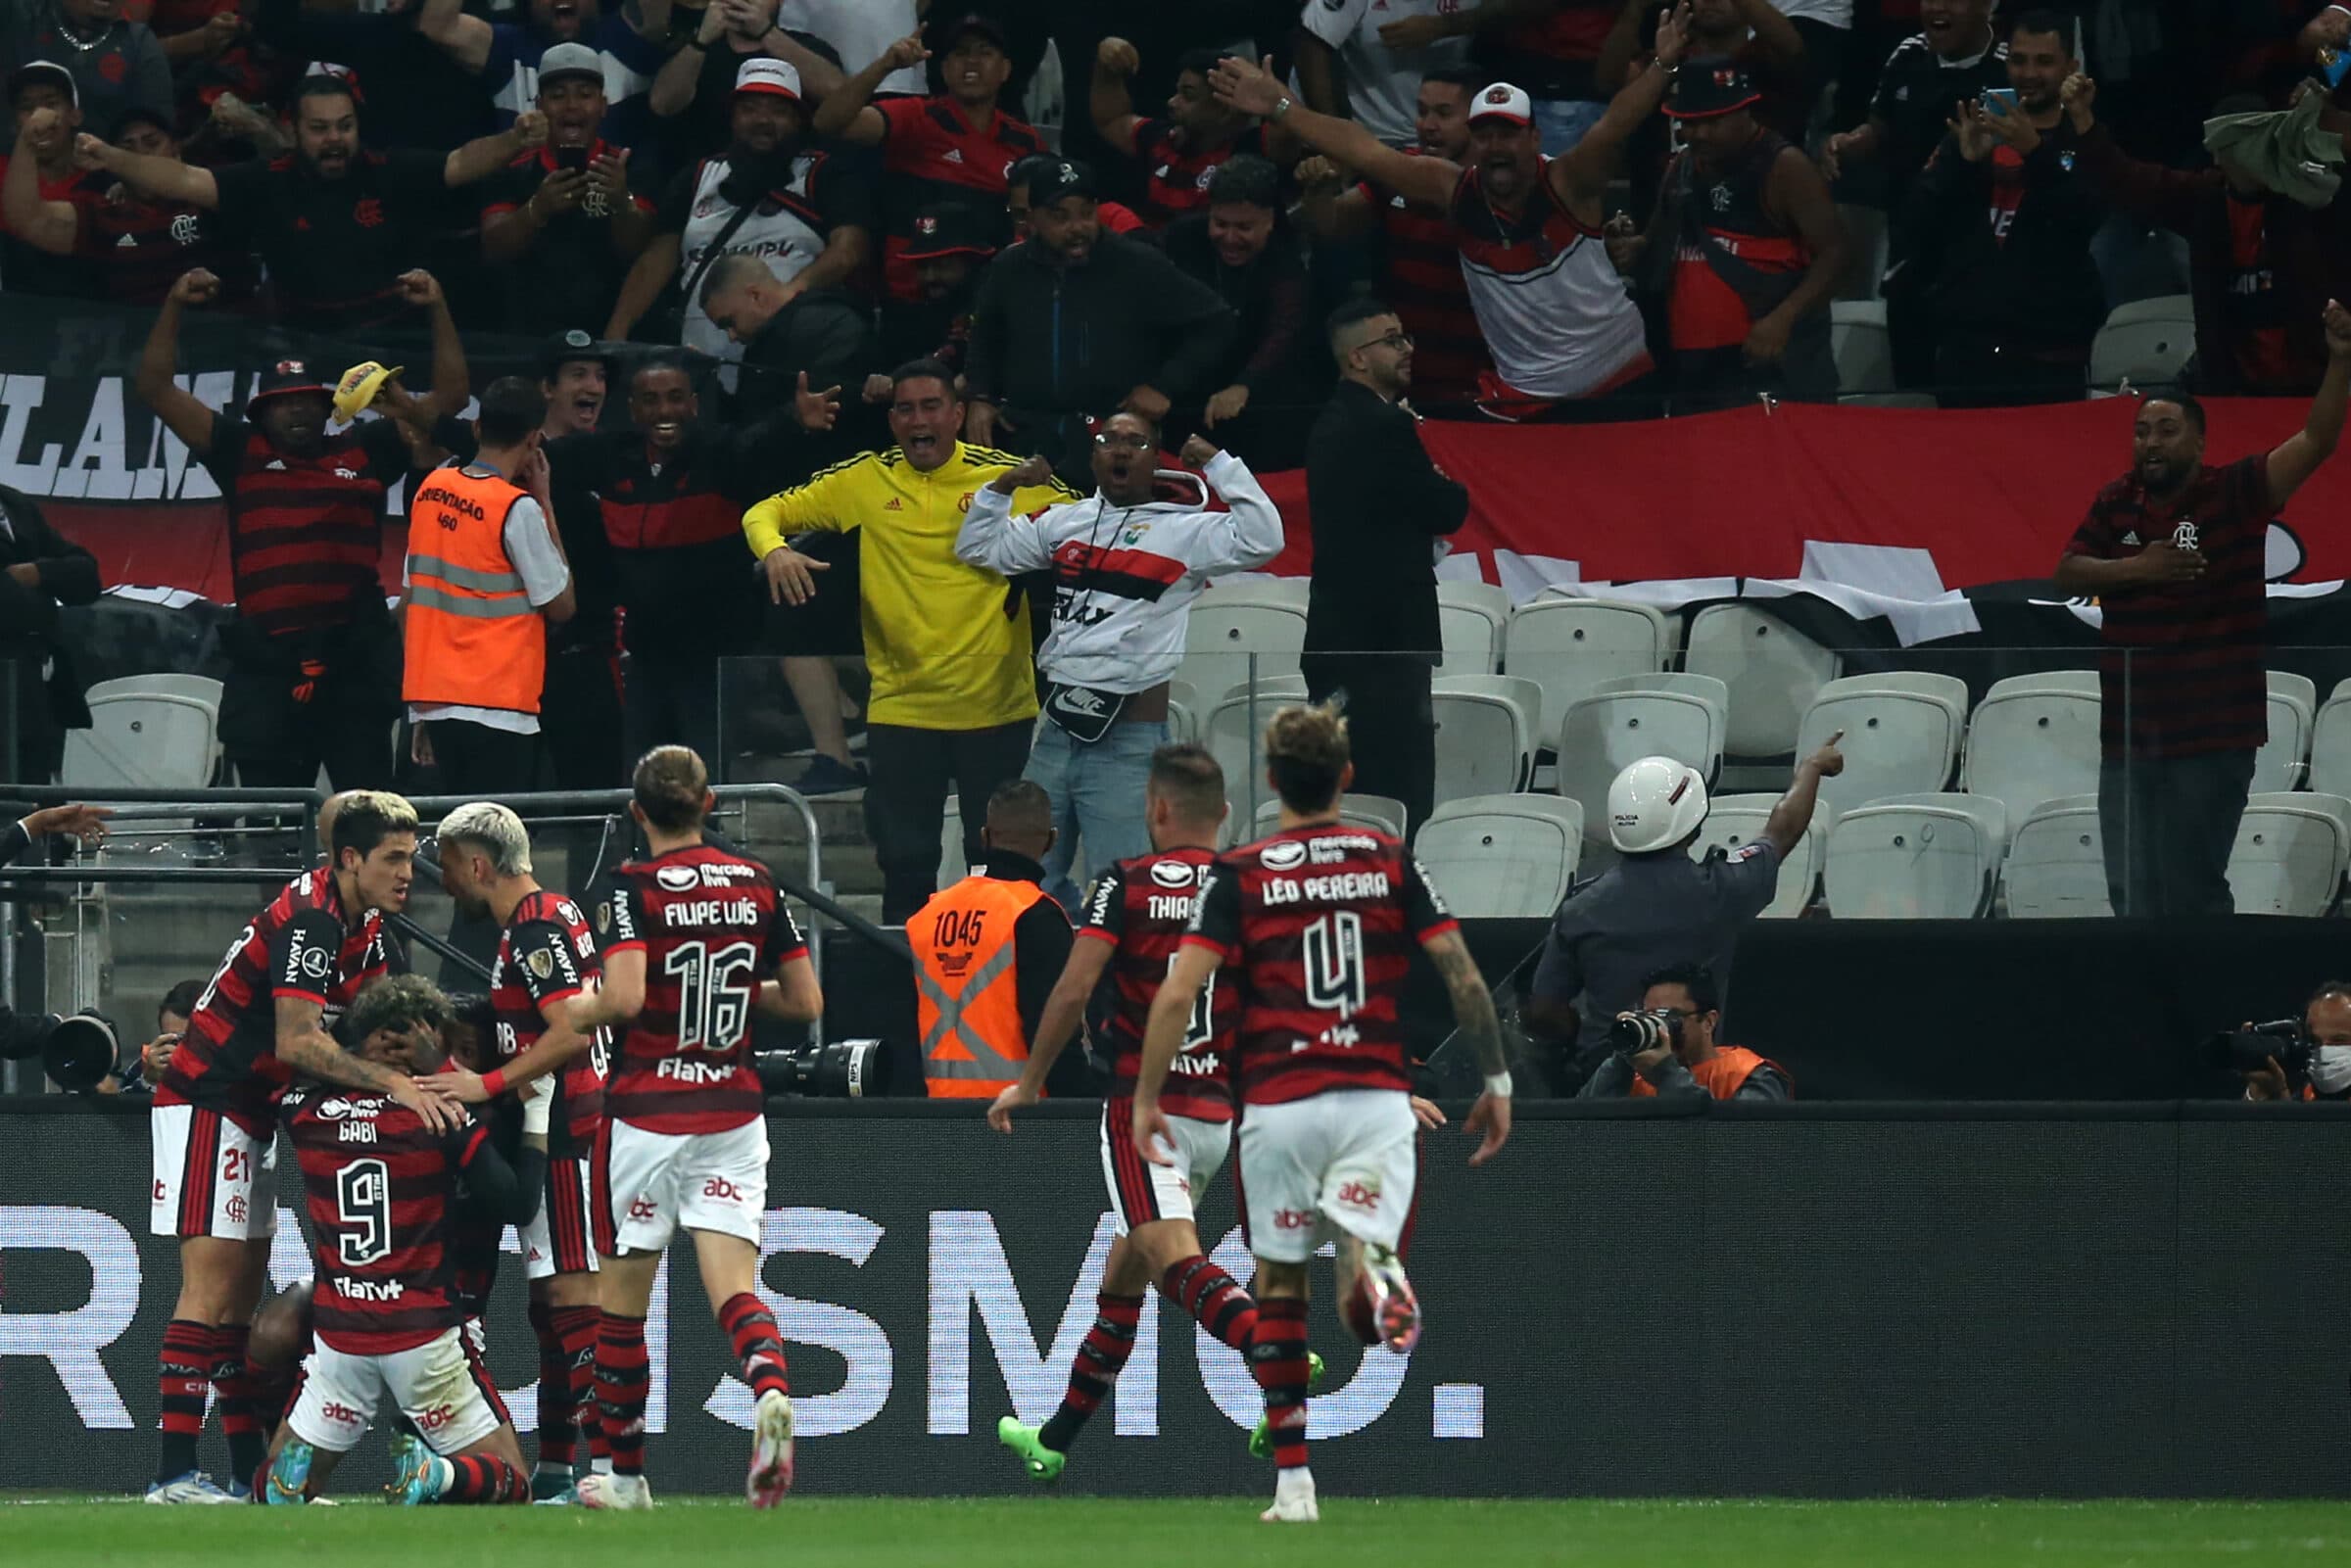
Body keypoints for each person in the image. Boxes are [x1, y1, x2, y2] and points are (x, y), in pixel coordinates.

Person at [1137, 703, 1511, 1524]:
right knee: (1359, 1282)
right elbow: (1462, 975)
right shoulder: (1389, 858)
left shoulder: (1240, 871)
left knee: (1277, 1288)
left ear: (1271, 782)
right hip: (1377, 1097)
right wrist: (1497, 1079)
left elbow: (1178, 992)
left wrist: (1143, 1096)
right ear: (1346, 778)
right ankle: (1373, 1266)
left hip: (1278, 1103)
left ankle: (1295, 1486)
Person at [146, 791, 457, 1503]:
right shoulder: (314, 918)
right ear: (350, 858)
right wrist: (390, 1081)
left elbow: (365, 1021)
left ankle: (244, 1469)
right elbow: (295, 1038)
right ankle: (170, 1473)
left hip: (253, 1111)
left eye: (412, 856)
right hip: (208, 1099)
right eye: (395, 857)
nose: (410, 871)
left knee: (240, 1300)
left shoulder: (367, 922)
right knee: (209, 1290)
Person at [987, 743, 1272, 1479]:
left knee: (1171, 1259)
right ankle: (1054, 1439)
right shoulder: (1249, 887)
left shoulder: (1127, 883)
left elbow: (1074, 989)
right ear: (1226, 815)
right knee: (1123, 1276)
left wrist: (1028, 1080)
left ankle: (1270, 1351)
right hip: (1218, 1115)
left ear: (1156, 809)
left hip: (1145, 1110)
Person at [555, 744, 823, 1509]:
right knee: (734, 1287)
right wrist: (736, 986)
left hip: (645, 1112)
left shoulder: (631, 885)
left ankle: (627, 1477)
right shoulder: (758, 882)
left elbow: (627, 996)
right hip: (733, 1110)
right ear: (709, 803)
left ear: (637, 813)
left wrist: (578, 1008)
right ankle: (769, 1384)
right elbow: (805, 1001)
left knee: (622, 1300)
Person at [743, 359, 1080, 923]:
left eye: (930, 407)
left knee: (996, 867)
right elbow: (765, 511)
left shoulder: (1006, 477)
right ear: (893, 419)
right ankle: (903, 996)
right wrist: (774, 550)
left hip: (996, 710)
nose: (918, 419)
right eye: (905, 409)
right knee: (905, 866)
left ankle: (998, 989)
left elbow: (1094, 522)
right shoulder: (867, 479)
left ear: (958, 414)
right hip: (903, 711)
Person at [1213, 25, 1682, 421]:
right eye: (1486, 135)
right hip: (1525, 399)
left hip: (1619, 378)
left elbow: (1615, 124)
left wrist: (1662, 66)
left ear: (1535, 137)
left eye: (1509, 135)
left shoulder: (1569, 181)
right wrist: (1281, 108)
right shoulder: (1450, 189)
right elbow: (1362, 148)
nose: (1496, 146)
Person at [2053, 306, 2351, 918]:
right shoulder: (2117, 501)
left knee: (2191, 890)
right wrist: (2140, 569)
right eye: (2141, 432)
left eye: (2165, 430)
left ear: (2199, 440)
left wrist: (2342, 358)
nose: (2150, 443)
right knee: (2130, 894)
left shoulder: (2236, 492)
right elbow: (2068, 571)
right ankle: (2146, 1011)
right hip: (2131, 737)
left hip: (2212, 737)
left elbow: (2317, 439)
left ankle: (2214, 1009)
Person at [134, 266, 465, 790]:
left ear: (326, 407)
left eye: (308, 399)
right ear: (261, 413)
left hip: (354, 666)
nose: (297, 410)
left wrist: (438, 306)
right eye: (283, 402)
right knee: (277, 830)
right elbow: (153, 385)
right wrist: (174, 301)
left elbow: (450, 398)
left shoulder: (366, 449)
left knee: (369, 816)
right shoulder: (238, 451)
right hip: (268, 671)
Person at [955, 418, 1282, 902]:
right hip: (1056, 734)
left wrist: (1219, 464)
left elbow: (1265, 539)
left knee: (1123, 895)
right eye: (1108, 442)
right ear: (1094, 458)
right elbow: (979, 548)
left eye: (1137, 442)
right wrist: (1002, 486)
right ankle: (1048, 973)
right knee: (1018, 885)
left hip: (1127, 742)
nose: (1120, 451)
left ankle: (1112, 978)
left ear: (1155, 460)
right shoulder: (1064, 521)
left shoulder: (1186, 531)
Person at [262, 1032, 548, 1505]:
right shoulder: (440, 1114)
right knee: (513, 1482)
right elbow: (516, 1202)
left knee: (282, 1482)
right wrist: (538, 1111)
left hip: (341, 1338)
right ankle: (437, 1474)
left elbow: (292, 1055)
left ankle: (281, 1478)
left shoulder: (304, 1109)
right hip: (422, 1336)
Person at [430, 800, 612, 1499]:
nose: (445, 884)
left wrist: (489, 1081)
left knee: (573, 1296)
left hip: (564, 1124)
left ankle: (611, 1467)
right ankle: (562, 1466)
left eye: (448, 867)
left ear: (478, 863)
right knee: (552, 1306)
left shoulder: (534, 926)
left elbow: (566, 1030)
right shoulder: (556, 913)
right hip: (568, 1117)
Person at [78, 72, 549, 332]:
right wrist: (111, 157)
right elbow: (182, 177)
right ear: (296, 130)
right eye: (319, 129)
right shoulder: (266, 180)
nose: (334, 140)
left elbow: (461, 162)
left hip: (397, 341)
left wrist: (513, 139)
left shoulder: (388, 169)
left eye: (344, 126)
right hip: (304, 345)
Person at [547, 353, 833, 772]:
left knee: (707, 783)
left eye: (676, 398)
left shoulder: (719, 455)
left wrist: (794, 420)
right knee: (642, 782)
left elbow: (757, 443)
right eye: (651, 400)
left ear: (695, 405)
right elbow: (532, 451)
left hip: (715, 665)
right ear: (633, 408)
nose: (665, 411)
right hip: (644, 660)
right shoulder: (611, 456)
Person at [1525, 738, 1842, 1060]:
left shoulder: (1579, 909)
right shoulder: (1724, 889)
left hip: (1603, 1081)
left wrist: (1586, 1034)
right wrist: (1811, 768)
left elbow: (1543, 1013)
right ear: (1693, 823)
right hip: (1693, 1081)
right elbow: (1781, 831)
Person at [1299, 299, 1469, 839]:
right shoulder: (1383, 426)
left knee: (1344, 795)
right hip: (1385, 645)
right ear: (1358, 359)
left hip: (1340, 637)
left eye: (1405, 336)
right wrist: (1444, 484)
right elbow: (1447, 508)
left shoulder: (1332, 422)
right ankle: (1394, 906)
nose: (1408, 349)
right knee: (1396, 794)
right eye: (1393, 340)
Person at [2068, 73, 2351, 398]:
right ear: (2217, 152)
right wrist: (2082, 118)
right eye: (2239, 143)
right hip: (2233, 388)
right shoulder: (2204, 200)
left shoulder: (2311, 195)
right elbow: (2126, 179)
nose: (2252, 151)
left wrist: (2328, 116)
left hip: (2311, 384)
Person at [960, 158, 1237, 475]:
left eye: (1086, 213)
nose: (1077, 228)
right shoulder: (1009, 267)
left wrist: (1165, 385)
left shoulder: (1136, 263)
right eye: (1060, 216)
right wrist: (981, 396)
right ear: (1032, 218)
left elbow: (1217, 321)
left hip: (1110, 440)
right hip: (1025, 433)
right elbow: (984, 338)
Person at [609, 59, 873, 378]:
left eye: (778, 110)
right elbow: (655, 261)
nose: (763, 120)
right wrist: (617, 331)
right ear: (732, 117)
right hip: (700, 366)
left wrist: (790, 293)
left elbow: (849, 249)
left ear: (797, 119)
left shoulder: (825, 174)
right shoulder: (697, 176)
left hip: (792, 360)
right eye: (750, 108)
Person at [1616, 58, 1847, 411]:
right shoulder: (1682, 166)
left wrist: (1782, 319)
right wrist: (1631, 248)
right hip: (1694, 367)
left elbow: (1836, 255)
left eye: (1713, 121)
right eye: (1690, 123)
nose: (1700, 134)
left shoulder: (1784, 167)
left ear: (1745, 110)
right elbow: (1656, 243)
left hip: (1769, 367)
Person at [1899, 13, 2104, 406]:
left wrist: (2035, 154)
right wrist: (1963, 163)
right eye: (2019, 60)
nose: (2028, 73)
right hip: (1966, 353)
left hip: (2050, 356)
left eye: (2044, 62)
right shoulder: (1973, 130)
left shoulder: (2084, 137)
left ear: (2070, 68)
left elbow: (2084, 219)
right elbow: (1916, 223)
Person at [403, 378, 576, 796]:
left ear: (477, 427)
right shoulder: (517, 508)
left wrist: (421, 713)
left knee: (453, 846)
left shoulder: (431, 490)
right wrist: (546, 504)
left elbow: (410, 602)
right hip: (500, 706)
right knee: (494, 848)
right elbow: (562, 605)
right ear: (535, 439)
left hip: (437, 701)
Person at [1294, 66, 1491, 413]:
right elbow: (1333, 223)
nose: (1427, 124)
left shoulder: (1498, 185)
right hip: (1403, 376)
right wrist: (1318, 193)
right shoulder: (1399, 170)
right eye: (1421, 111)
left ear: (1476, 123)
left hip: (1479, 379)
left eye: (1443, 114)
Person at [812, 16, 1045, 302]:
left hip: (990, 300)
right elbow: (827, 123)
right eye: (960, 53)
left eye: (985, 52)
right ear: (944, 69)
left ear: (1005, 69)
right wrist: (885, 65)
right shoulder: (916, 116)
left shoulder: (1025, 140)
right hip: (913, 296)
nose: (972, 62)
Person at [905, 780, 1080, 1099]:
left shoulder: (927, 915)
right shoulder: (1037, 916)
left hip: (935, 1115)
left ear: (984, 837)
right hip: (1020, 1117)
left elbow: (905, 1026)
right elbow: (1054, 1030)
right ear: (1051, 841)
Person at [477, 43, 658, 340]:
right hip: (528, 337)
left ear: (603, 105)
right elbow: (493, 250)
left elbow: (640, 253)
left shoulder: (632, 167)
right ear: (539, 106)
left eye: (585, 95)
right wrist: (537, 209)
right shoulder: (510, 171)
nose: (572, 106)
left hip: (613, 337)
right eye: (557, 96)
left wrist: (620, 203)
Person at [4, 101, 254, 307]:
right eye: (128, 146)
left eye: (152, 142)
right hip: (134, 351)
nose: (141, 153)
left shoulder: (212, 197)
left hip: (221, 346)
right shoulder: (105, 214)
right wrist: (28, 140)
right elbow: (28, 220)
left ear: (176, 149)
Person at [1159, 154, 1314, 462]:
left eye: (1244, 227)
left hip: (1260, 402)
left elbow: (1285, 329)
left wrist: (1245, 384)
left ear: (1269, 220)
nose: (1230, 238)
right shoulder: (1180, 239)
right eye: (1220, 223)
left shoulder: (1285, 257)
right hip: (1182, 390)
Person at [535, 331, 626, 791]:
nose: (592, 386)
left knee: (594, 800)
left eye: (600, 376)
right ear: (547, 388)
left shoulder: (613, 460)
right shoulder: (512, 462)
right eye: (577, 375)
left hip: (590, 656)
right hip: (521, 660)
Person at [413, 0, 669, 137]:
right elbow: (438, 25)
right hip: (526, 214)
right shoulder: (508, 47)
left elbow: (661, 14)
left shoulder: (628, 36)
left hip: (624, 211)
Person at [1091, 39, 1272, 226]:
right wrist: (1106, 69)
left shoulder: (1256, 149)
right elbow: (1111, 120)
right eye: (1177, 92)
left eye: (1188, 95)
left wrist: (1271, 96)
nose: (1172, 102)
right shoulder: (1160, 139)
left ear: (1225, 106)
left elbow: (1293, 126)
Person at [647, 0, 844, 163]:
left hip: (793, 183)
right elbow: (662, 105)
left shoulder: (808, 47)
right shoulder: (696, 51)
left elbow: (842, 97)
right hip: (711, 184)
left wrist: (766, 32)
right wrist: (702, 39)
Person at [1574, 962, 1792, 1101]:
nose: (1661, 1027)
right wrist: (1621, 1061)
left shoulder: (1749, 1075)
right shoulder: (1635, 1076)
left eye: (1671, 1017)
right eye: (1651, 1016)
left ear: (1708, 1021)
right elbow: (1576, 1133)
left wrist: (1666, 1075)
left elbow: (1739, 1147)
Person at [0, 479, 98, 784]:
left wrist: (38, 573)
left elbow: (86, 576)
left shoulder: (14, 505)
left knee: (35, 800)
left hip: (34, 689)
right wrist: (41, 599)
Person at [1295, 0, 1474, 150]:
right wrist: (1335, 140)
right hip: (1376, 139)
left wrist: (1444, 26)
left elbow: (1500, 14)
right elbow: (1313, 44)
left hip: (1458, 140)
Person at [0, 0, 168, 149]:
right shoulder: (19, 14)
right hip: (11, 163)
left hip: (104, 176)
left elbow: (157, 143)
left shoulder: (139, 43)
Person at [0, 61, 89, 298]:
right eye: (27, 108)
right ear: (13, 125)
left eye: (51, 104)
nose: (39, 117)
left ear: (75, 115)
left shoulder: (101, 179)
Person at [2241, 981, 2351, 1103]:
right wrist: (2261, 1092)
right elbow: (2284, 1121)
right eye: (2314, 1041)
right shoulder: (2302, 1099)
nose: (2323, 1051)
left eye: (2339, 1041)